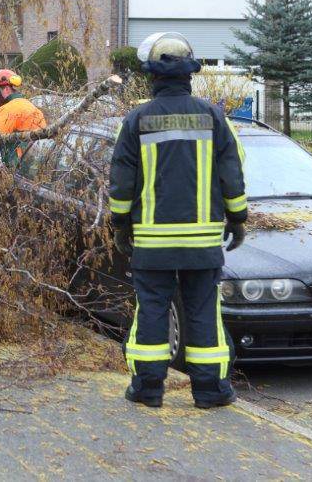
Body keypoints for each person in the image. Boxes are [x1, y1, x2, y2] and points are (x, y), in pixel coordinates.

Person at [108, 32, 248, 409]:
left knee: (152, 310)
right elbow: (232, 174)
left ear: (151, 75)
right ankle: (210, 391)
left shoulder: (136, 120)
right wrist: (238, 219)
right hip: (203, 243)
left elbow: (121, 181)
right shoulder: (214, 118)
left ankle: (149, 389)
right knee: (203, 311)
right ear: (191, 74)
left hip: (152, 243)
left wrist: (121, 226)